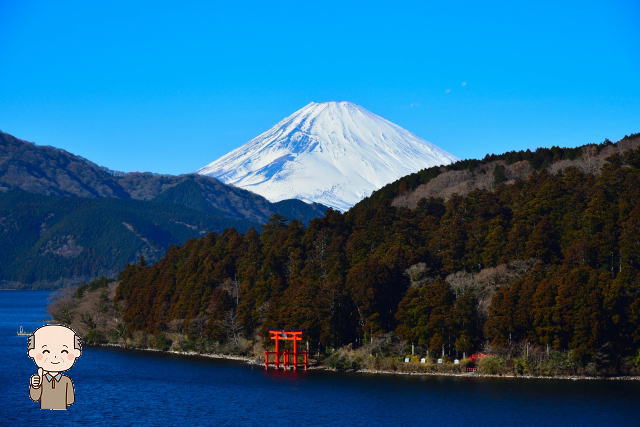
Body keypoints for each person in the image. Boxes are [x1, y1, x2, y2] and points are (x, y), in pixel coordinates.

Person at [27, 324, 81, 410]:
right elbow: (70, 400)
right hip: (51, 413)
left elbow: (35, 398)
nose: (55, 356)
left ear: (76, 353)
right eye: (46, 351)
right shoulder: (43, 379)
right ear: (32, 352)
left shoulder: (66, 381)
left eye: (64, 351)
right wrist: (35, 385)